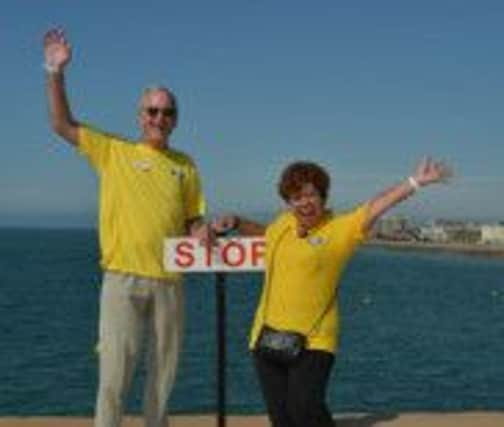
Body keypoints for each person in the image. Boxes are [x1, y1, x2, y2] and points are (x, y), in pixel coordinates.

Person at [43, 28, 212, 427]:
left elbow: (193, 217)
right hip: (122, 280)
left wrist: (201, 229)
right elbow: (61, 124)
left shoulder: (185, 165)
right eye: (152, 111)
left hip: (170, 280)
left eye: (167, 112)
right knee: (114, 375)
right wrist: (54, 71)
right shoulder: (113, 151)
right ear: (140, 116)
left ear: (175, 120)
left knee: (164, 375)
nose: (159, 118)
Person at [214, 158, 451, 427]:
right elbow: (265, 233)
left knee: (306, 407)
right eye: (296, 197)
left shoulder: (340, 229)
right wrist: (236, 221)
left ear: (323, 196)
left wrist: (414, 182)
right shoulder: (283, 224)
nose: (304, 202)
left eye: (311, 194)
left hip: (314, 341)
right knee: (282, 418)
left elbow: (376, 206)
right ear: (288, 201)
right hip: (266, 337)